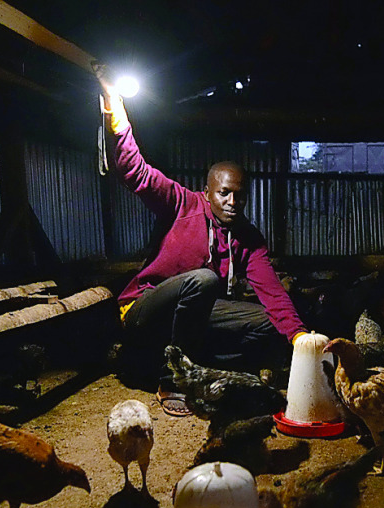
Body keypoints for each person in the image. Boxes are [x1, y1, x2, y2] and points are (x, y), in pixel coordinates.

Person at [100, 89, 309, 416]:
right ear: (208, 192)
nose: (232, 202)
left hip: (191, 316)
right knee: (205, 280)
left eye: (239, 196)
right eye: (224, 193)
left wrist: (300, 337)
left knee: (270, 323)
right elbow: (135, 171)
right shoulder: (183, 203)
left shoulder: (247, 236)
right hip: (144, 309)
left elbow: (272, 292)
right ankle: (173, 379)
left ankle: (204, 366)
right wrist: (119, 116)